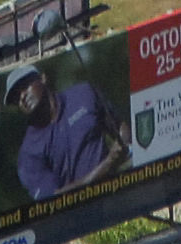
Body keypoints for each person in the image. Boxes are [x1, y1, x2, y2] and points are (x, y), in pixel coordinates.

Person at [8, 59, 120, 201]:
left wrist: (123, 148)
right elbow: (53, 199)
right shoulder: (28, 153)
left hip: (119, 191)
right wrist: (106, 166)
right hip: (80, 215)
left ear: (43, 78)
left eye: (25, 86)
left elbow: (120, 127)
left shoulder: (84, 94)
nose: (22, 97)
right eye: (16, 98)